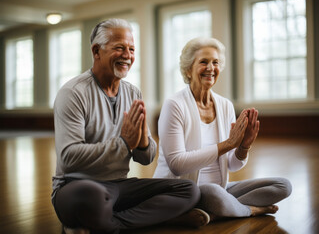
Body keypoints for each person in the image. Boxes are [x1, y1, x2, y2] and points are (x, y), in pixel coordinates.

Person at [52, 19, 209, 234]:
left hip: (119, 186)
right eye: (119, 48)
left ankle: (102, 223)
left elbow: (145, 158)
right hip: (76, 186)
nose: (128, 55)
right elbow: (68, 158)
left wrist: (142, 143)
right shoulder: (73, 93)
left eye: (131, 49)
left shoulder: (133, 93)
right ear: (96, 51)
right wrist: (124, 144)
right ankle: (151, 219)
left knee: (188, 190)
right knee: (93, 198)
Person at [153, 37, 292, 221]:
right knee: (213, 192)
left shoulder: (225, 105)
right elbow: (177, 165)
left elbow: (232, 165)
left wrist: (243, 147)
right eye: (204, 62)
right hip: (183, 190)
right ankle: (248, 210)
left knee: (283, 185)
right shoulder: (174, 105)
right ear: (188, 69)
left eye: (215, 62)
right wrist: (227, 144)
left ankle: (215, 211)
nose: (211, 68)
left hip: (221, 187)